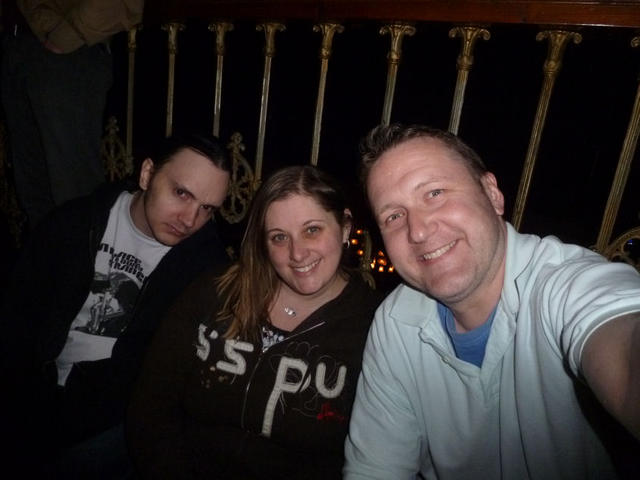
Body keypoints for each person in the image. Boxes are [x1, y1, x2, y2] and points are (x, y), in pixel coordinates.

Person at [343, 124, 640, 479]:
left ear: (492, 194)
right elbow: (375, 469)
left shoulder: (563, 286)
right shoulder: (396, 321)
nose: (418, 230)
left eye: (435, 193)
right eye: (393, 216)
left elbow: (619, 338)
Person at [127, 165, 383, 479]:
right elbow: (151, 407)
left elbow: (377, 455)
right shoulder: (216, 292)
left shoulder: (376, 326)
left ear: (344, 227)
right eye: (279, 237)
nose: (297, 253)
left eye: (312, 230)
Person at [0, 131, 231, 477]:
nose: (189, 220)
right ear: (147, 174)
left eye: (207, 209)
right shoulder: (74, 223)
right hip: (32, 393)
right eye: (182, 193)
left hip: (114, 417)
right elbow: (16, 320)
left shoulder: (204, 267)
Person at [1, 0, 144, 230]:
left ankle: (82, 253)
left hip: (68, 50)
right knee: (34, 188)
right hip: (21, 41)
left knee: (73, 193)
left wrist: (69, 32)